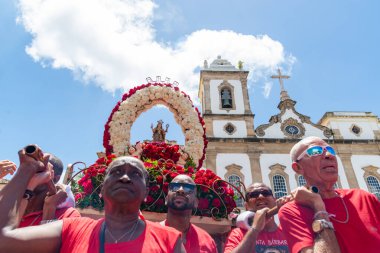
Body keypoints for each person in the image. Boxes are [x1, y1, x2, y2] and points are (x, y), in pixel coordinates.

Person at [0, 153, 185, 253]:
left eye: (135, 174)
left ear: (146, 193)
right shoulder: (71, 229)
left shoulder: (169, 239)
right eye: (117, 172)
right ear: (102, 190)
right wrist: (26, 171)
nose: (126, 177)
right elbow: (3, 240)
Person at [278, 136, 380, 253]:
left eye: (330, 150)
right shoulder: (292, 211)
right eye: (315, 151)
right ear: (298, 167)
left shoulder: (364, 198)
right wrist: (319, 208)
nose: (329, 155)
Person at [18, 154, 80, 227]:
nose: (30, 173)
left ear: (56, 179)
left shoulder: (68, 215)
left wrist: (49, 210)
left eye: (39, 169)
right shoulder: (13, 207)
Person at [224, 183, 289, 253]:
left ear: (274, 200)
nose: (261, 196)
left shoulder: (288, 232)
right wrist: (255, 229)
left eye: (265, 193)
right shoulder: (238, 233)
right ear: (246, 206)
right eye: (254, 195)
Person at [162, 174, 217, 252]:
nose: (180, 190)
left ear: (196, 203)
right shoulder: (149, 234)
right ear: (166, 199)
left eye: (188, 188)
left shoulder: (207, 241)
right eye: (175, 186)